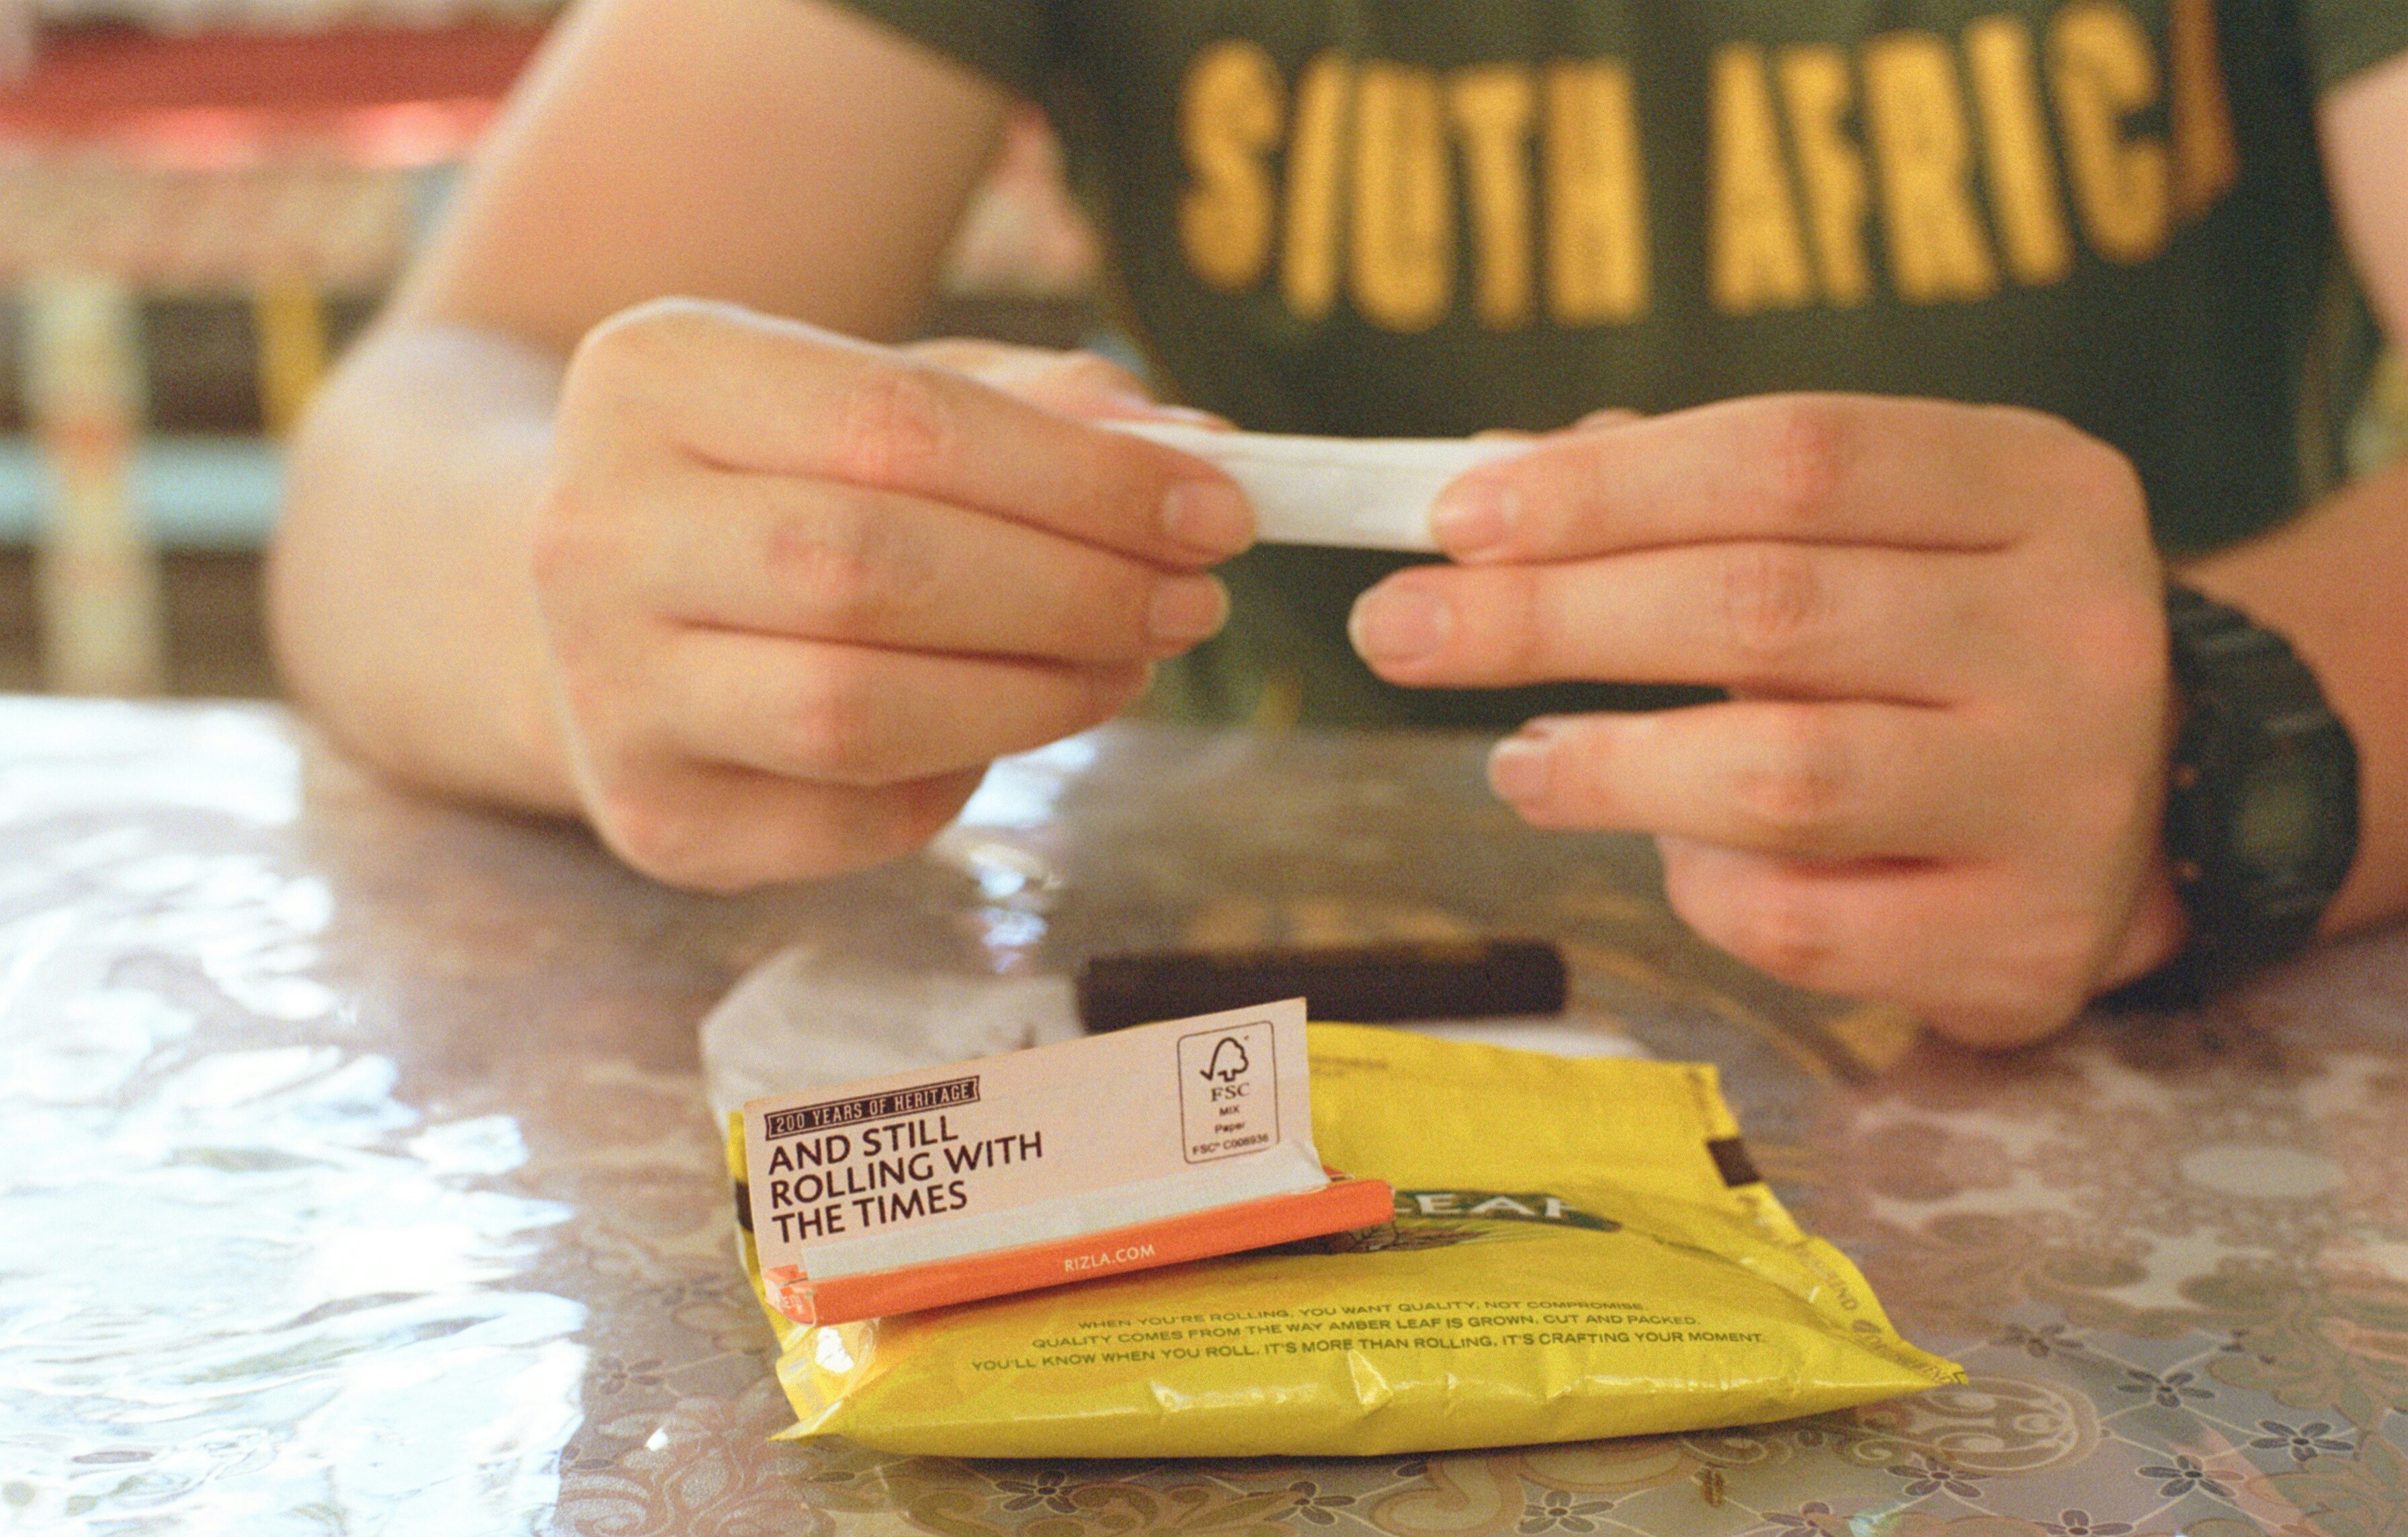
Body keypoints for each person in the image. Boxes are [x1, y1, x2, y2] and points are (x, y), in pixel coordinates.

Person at [269, 0, 2408, 1048]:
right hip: (1272, 1068)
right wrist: (627, 600)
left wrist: (2234, 743)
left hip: (2175, 1058)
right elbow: (412, 442)